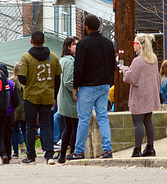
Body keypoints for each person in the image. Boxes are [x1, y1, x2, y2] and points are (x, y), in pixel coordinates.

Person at [72, 15, 116, 160]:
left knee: (84, 119)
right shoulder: (108, 43)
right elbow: (112, 66)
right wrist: (109, 81)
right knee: (103, 116)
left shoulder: (83, 44)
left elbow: (78, 68)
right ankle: (107, 150)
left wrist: (75, 86)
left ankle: (79, 151)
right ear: (99, 26)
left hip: (87, 86)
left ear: (86, 27)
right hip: (104, 85)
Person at [17, 30, 62, 164]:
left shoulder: (26, 57)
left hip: (31, 96)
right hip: (47, 96)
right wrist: (54, 95)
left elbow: (22, 78)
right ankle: (49, 155)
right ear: (44, 41)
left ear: (31, 41)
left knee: (30, 126)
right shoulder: (53, 56)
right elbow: (57, 78)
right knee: (46, 125)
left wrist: (31, 82)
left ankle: (31, 156)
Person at [120, 34, 161, 157]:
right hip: (150, 94)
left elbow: (130, 77)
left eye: (134, 43)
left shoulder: (138, 61)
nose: (133, 46)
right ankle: (150, 147)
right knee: (148, 121)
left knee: (138, 123)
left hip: (139, 95)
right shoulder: (153, 59)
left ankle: (137, 149)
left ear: (140, 45)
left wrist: (124, 69)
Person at [57, 36, 79, 163]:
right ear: (68, 47)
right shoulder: (70, 61)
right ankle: (72, 152)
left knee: (68, 128)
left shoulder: (64, 60)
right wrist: (77, 91)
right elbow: (69, 81)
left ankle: (63, 155)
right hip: (70, 100)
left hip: (64, 100)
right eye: (75, 44)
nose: (77, 46)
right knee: (73, 127)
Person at [11, 62, 26, 158]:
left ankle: (15, 152)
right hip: (25, 108)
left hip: (15, 109)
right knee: (25, 130)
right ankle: (29, 150)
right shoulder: (25, 81)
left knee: (15, 131)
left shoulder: (12, 80)